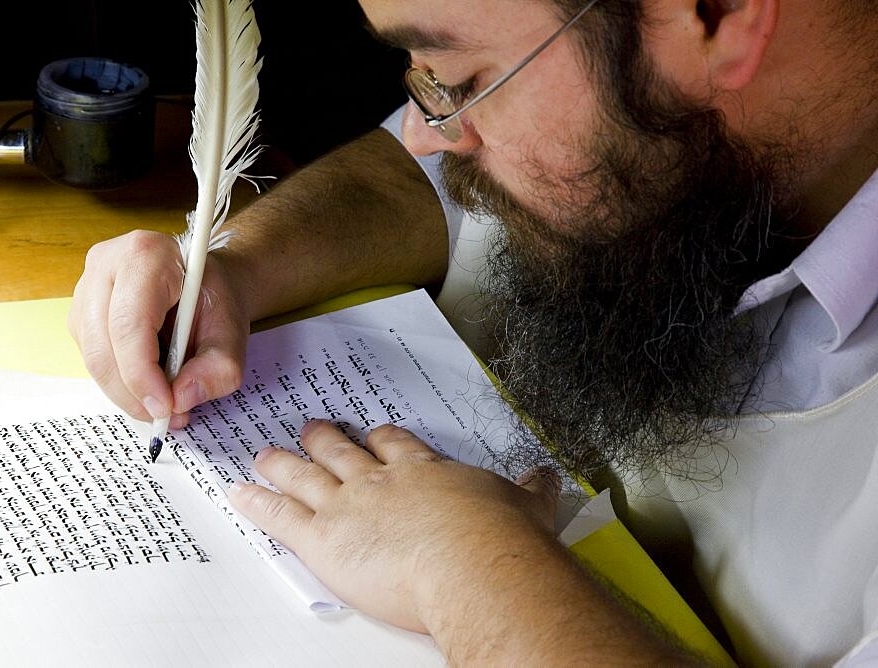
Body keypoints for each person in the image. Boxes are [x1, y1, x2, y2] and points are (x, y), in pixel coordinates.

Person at [67, 0, 878, 664]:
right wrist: (235, 264)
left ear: (717, 13)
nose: (431, 131)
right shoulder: (619, 101)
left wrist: (465, 562)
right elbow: (414, 175)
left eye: (459, 79)